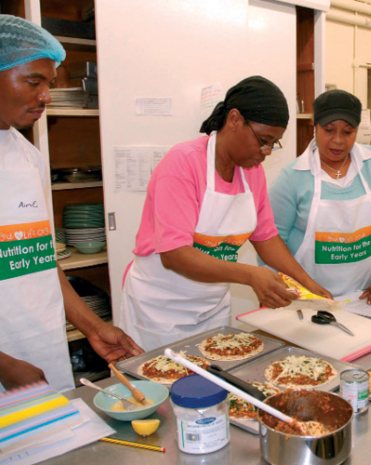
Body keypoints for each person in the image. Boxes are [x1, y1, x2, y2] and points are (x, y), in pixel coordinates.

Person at [119, 75, 330, 351]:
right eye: (263, 140)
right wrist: (251, 275)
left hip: (211, 307)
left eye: (273, 143)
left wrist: (307, 283)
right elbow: (175, 255)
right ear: (234, 119)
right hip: (160, 310)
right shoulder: (182, 164)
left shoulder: (252, 173)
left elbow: (266, 238)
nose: (266, 151)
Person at [0, 15, 143, 392]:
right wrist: (3, 364)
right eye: (34, 81)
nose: (46, 95)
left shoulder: (25, 155)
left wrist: (93, 327)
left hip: (41, 349)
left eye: (49, 83)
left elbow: (40, 261)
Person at [269, 89, 371, 303]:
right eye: (329, 130)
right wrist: (288, 290)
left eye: (347, 132)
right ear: (314, 128)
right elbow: (271, 242)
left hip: (367, 297)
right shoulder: (293, 176)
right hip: (308, 301)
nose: (338, 140)